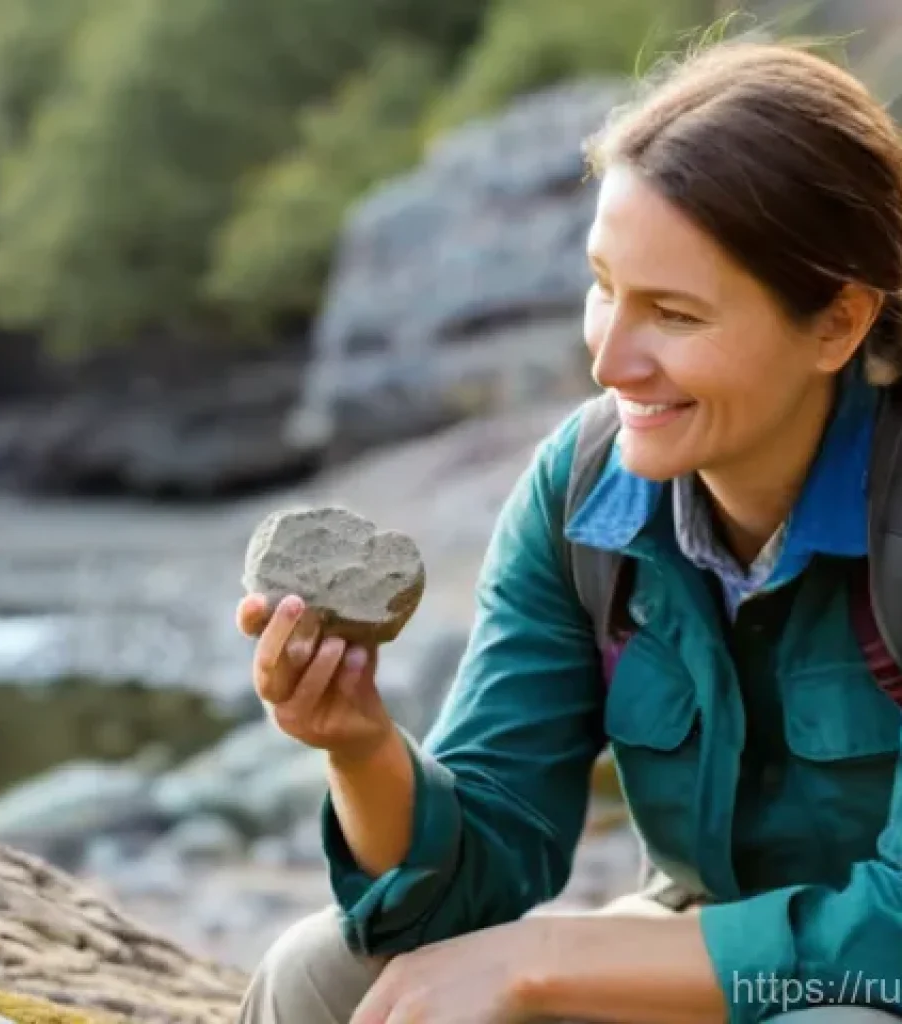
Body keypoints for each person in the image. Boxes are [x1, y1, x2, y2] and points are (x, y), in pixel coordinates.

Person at [234, 37, 902, 1024]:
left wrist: (541, 958)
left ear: (837, 322)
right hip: (706, 941)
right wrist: (360, 748)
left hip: (868, 981)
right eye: (602, 287)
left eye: (672, 314)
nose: (610, 360)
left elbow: (885, 938)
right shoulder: (581, 491)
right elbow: (478, 865)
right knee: (319, 972)